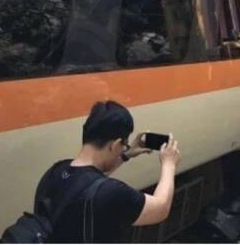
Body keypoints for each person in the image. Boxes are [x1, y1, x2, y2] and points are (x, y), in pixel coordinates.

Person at [33, 101, 181, 243]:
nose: (123, 149)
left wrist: (125, 155)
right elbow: (161, 208)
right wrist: (169, 165)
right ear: (115, 144)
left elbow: (87, 183)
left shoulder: (56, 171)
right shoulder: (112, 193)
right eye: (123, 145)